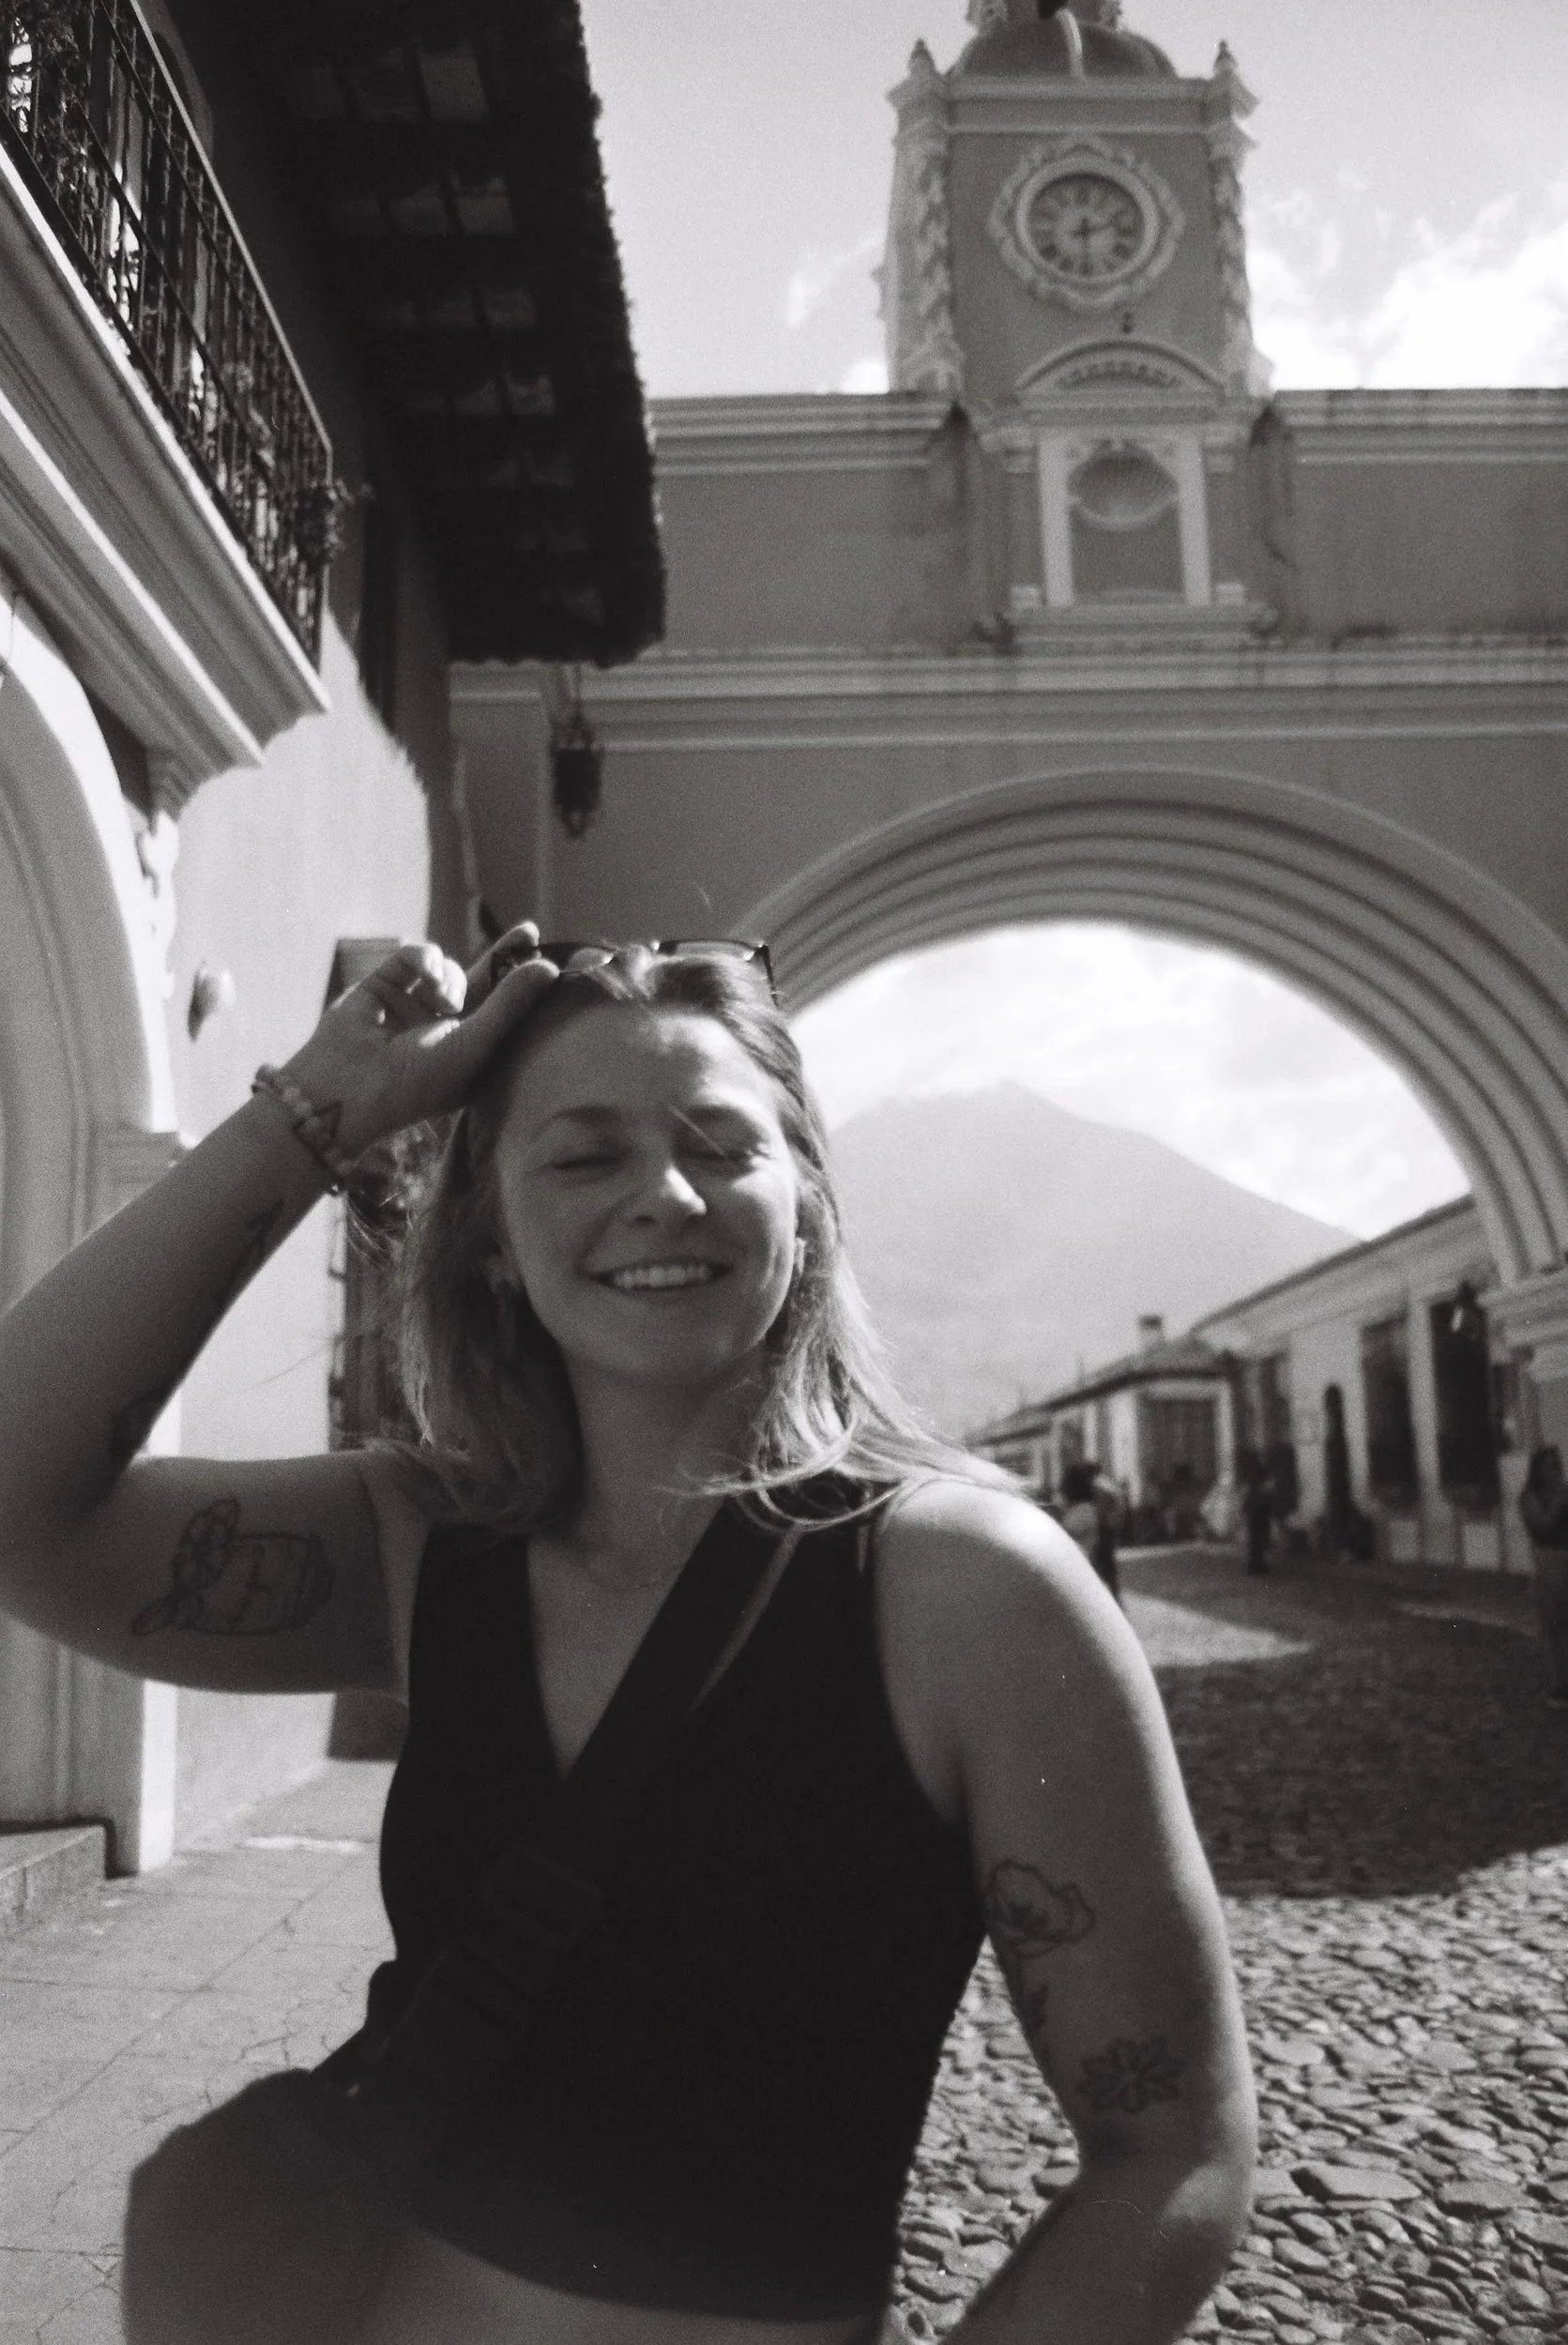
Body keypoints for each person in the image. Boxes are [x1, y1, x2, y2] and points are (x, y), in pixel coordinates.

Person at [0, 927, 1256, 2345]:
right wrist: (319, 1111)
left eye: (720, 1145)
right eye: (583, 1156)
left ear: (804, 1206)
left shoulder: (963, 1589)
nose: (663, 1193)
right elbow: (20, 1505)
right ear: (488, 1237)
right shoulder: (424, 1543)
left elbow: (1173, 2154)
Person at [1518, 1444, 1568, 1711]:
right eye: (1550, 1465)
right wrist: (1559, 1502)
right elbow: (1541, 1528)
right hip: (1549, 1562)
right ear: (1538, 1469)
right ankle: (1561, 1684)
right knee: (1554, 1627)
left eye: (1558, 1464)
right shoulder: (1530, 1497)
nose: (1557, 1469)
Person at [1241, 1453, 1274, 1579]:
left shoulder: (1250, 1472)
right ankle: (1257, 1564)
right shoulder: (1259, 1472)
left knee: (1255, 1537)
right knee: (1260, 1536)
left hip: (1255, 1507)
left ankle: (1255, 1563)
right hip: (1260, 1507)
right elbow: (1263, 1487)